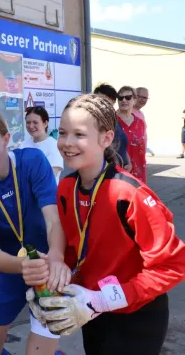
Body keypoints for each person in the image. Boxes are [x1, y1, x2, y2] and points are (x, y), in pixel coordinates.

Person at [28, 94, 185, 354]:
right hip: (92, 311)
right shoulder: (67, 187)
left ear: (107, 138)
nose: (66, 143)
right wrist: (51, 284)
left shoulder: (131, 194)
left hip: (137, 317)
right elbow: (75, 249)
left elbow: (173, 265)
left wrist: (101, 300)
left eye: (79, 134)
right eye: (63, 133)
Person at [0, 107, 71, 355]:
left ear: (6, 138)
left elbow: (53, 220)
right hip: (8, 270)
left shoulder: (32, 161)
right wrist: (23, 267)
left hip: (48, 266)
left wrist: (57, 258)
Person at [19, 106, 63, 184]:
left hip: (46, 195)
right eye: (28, 122)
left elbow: (49, 176)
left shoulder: (54, 146)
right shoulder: (23, 145)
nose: (31, 126)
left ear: (45, 123)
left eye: (35, 122)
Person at [92, 83, 131, 170]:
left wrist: (128, 162)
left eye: (109, 100)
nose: (104, 104)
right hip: (105, 172)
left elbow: (122, 145)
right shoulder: (92, 121)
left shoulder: (114, 120)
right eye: (102, 100)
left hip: (121, 172)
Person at [116, 86, 147, 183]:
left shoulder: (140, 122)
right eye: (120, 98)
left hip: (139, 173)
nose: (124, 100)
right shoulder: (112, 121)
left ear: (134, 100)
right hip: (119, 173)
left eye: (128, 97)